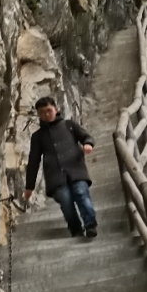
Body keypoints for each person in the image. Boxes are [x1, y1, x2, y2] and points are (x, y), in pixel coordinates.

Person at [22, 97, 99, 238]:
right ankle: (76, 230)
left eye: (48, 111)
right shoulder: (37, 137)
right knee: (66, 202)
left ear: (56, 110)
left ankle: (90, 225)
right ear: (38, 115)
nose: (46, 115)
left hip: (76, 170)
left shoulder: (69, 125)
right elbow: (33, 161)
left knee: (82, 193)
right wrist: (29, 187)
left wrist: (88, 144)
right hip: (55, 176)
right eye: (42, 113)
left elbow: (86, 136)